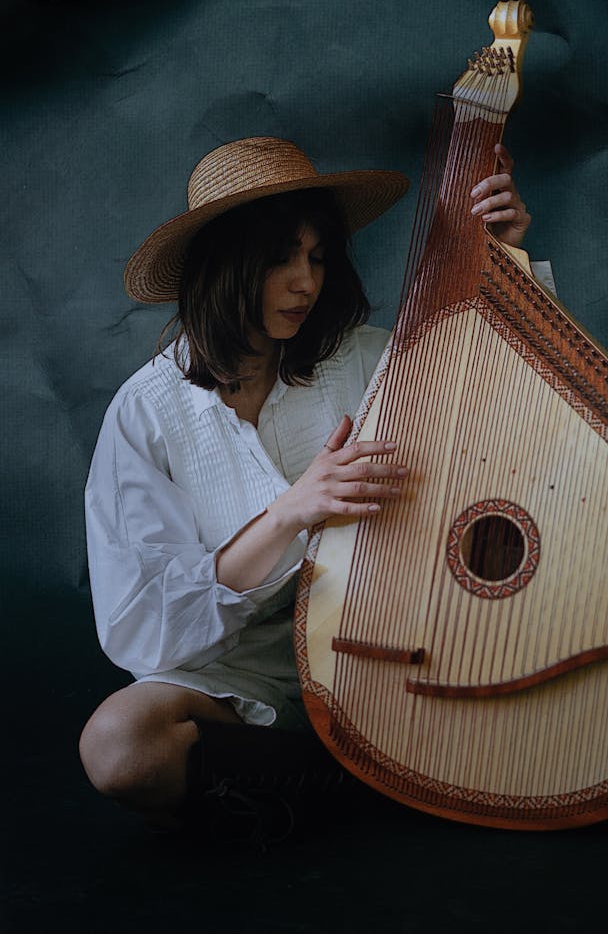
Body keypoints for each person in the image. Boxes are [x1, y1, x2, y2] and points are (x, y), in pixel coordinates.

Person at [79, 134, 532, 837]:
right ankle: (358, 781)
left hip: (390, 658)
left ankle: (348, 778)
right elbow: (146, 634)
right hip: (241, 684)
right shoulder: (147, 413)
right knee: (119, 745)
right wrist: (290, 512)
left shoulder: (362, 359)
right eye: (279, 258)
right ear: (224, 266)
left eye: (317, 257)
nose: (306, 282)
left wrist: (503, 262)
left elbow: (508, 392)